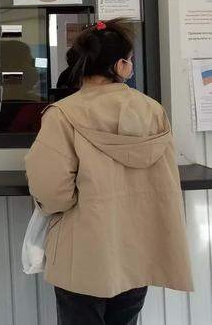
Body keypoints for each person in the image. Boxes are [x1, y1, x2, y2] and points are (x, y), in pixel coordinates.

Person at [25, 19, 192, 325]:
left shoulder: (63, 115)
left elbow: (52, 193)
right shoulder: (153, 111)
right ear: (120, 66)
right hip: (138, 252)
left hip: (83, 255)